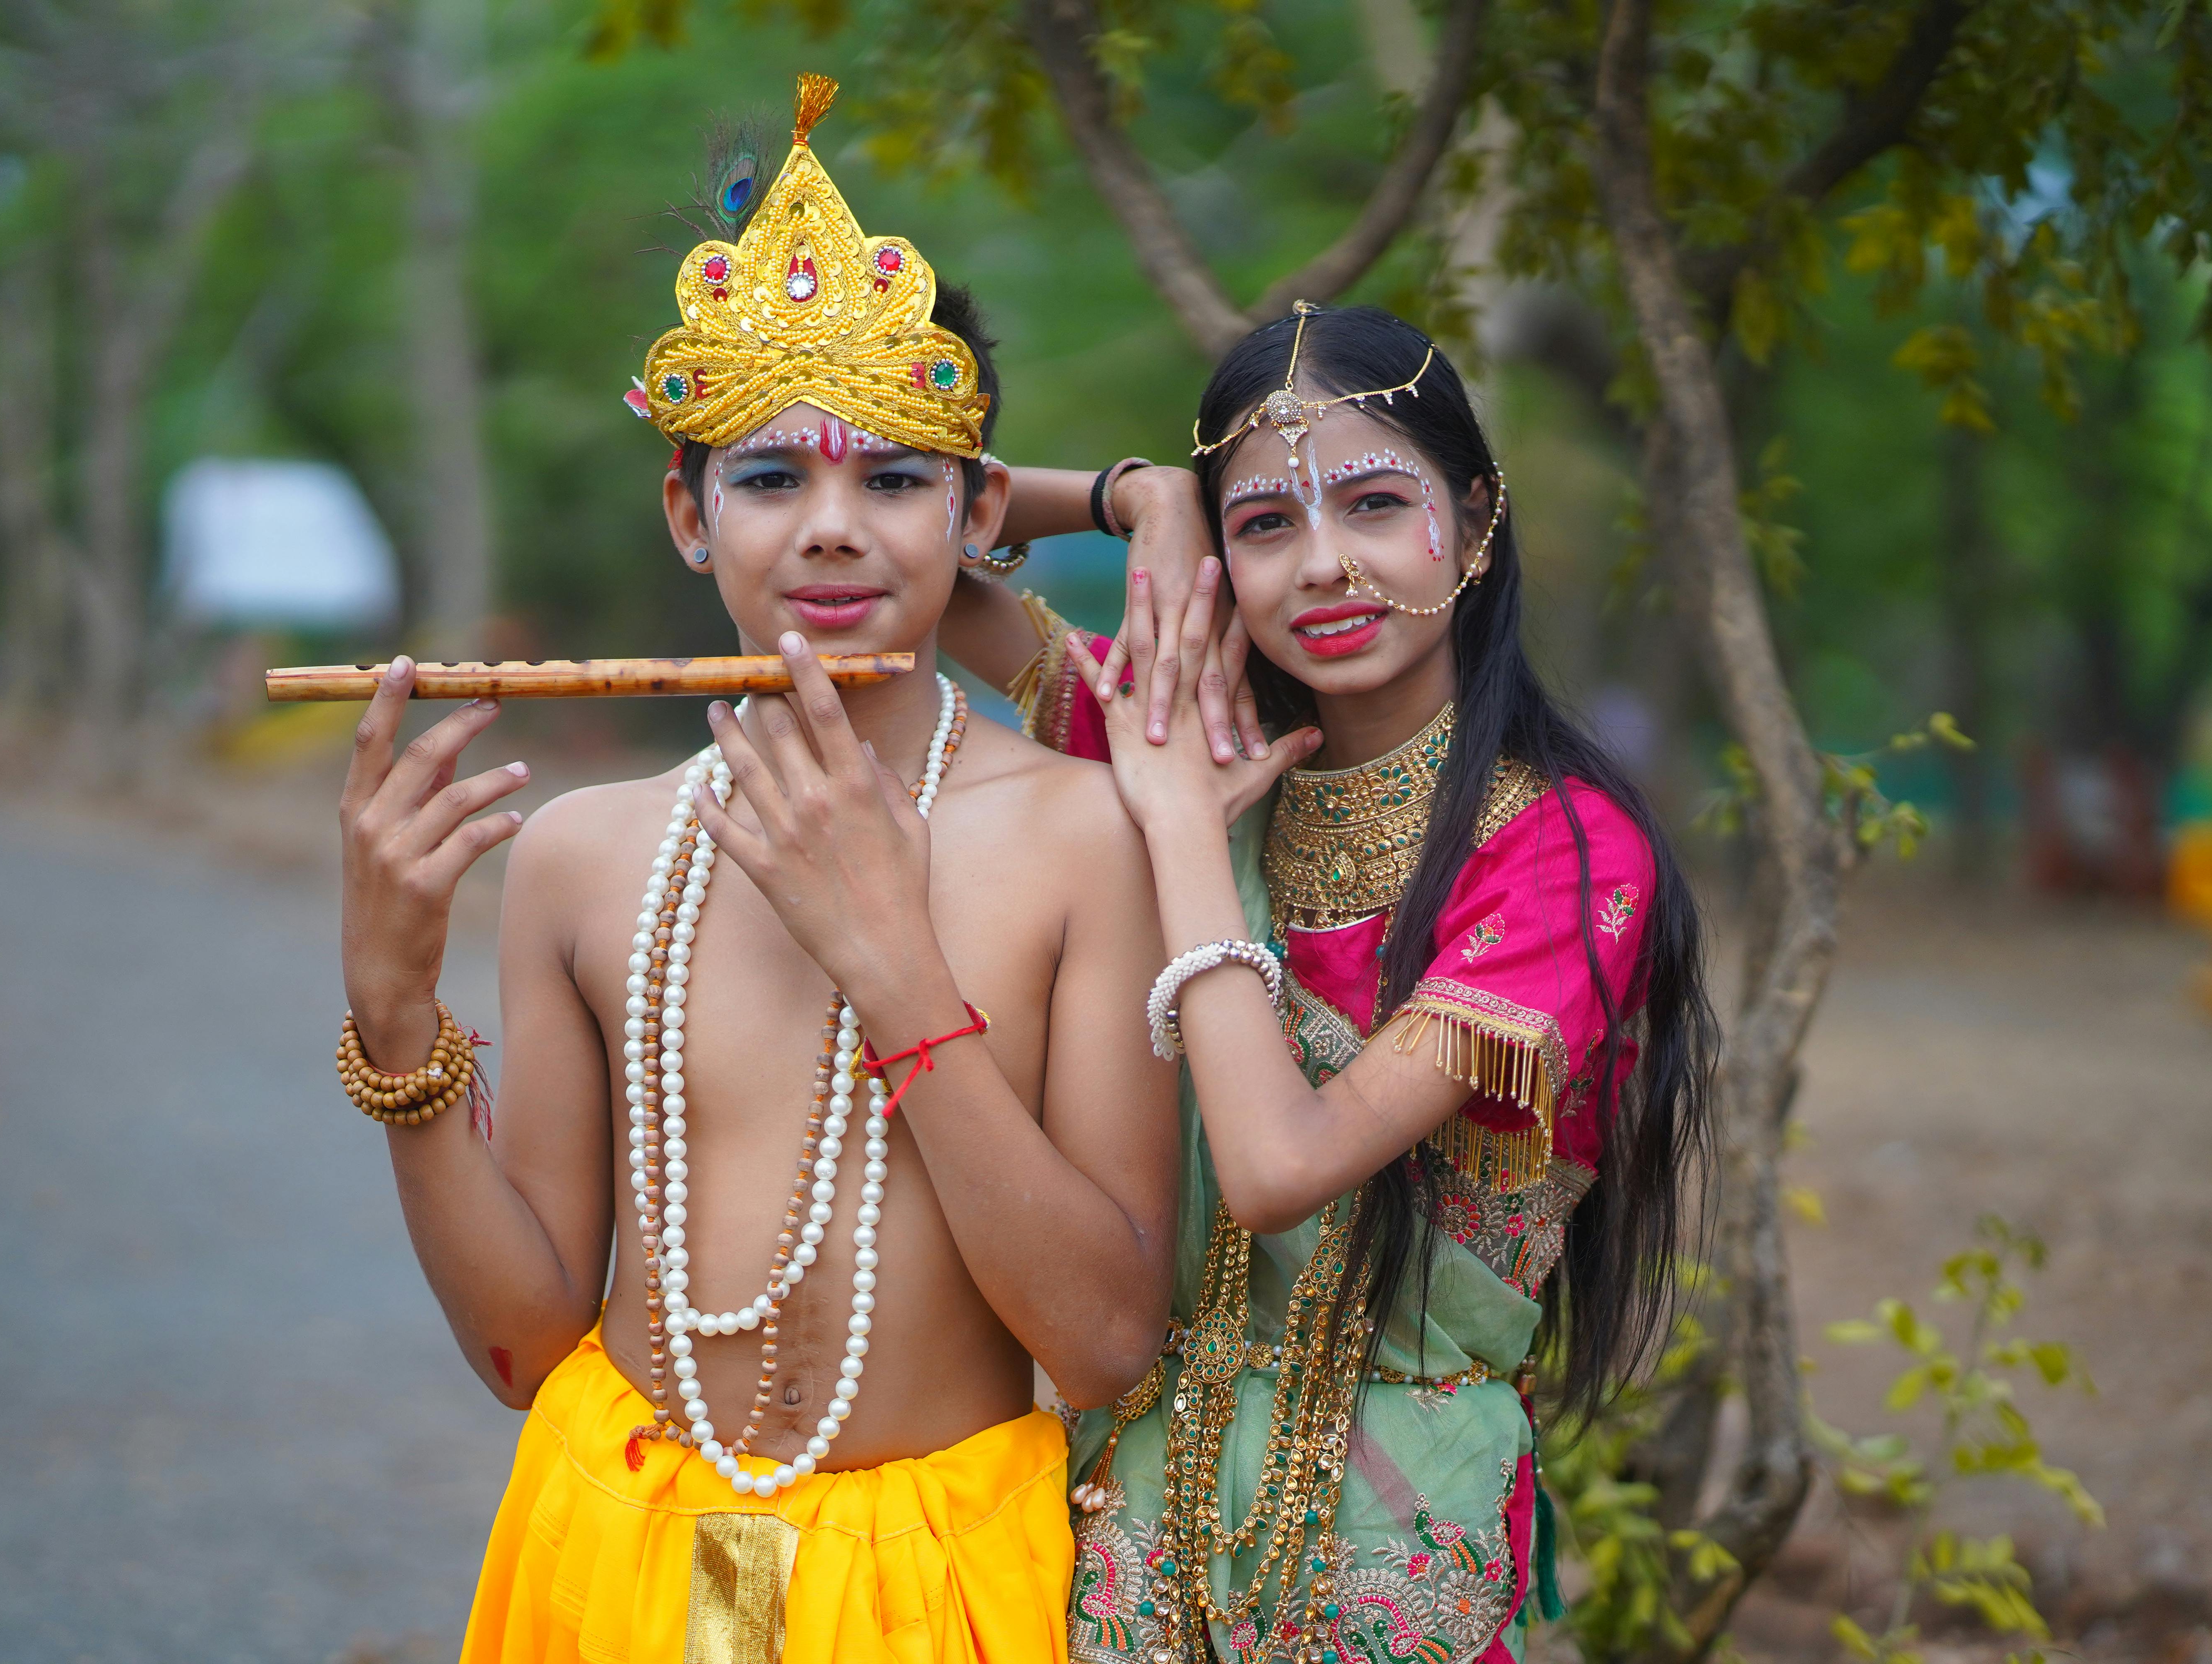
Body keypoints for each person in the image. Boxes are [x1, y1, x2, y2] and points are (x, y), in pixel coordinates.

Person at [333, 74, 1180, 1664]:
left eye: (899, 478)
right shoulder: (587, 861)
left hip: (937, 1588)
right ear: (688, 513)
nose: (835, 531)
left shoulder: (1082, 838)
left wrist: (891, 964)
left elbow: (1105, 1341)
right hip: (621, 1556)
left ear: (980, 509)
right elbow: (524, 1347)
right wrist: (393, 1016)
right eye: (773, 479)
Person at [948, 304, 1717, 1664]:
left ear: (1476, 526)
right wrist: (1144, 498)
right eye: (1265, 526)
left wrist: (1184, 831)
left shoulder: (1564, 852)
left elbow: (1276, 1167)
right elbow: (922, 563)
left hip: (1396, 1533)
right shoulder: (1196, 733)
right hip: (1124, 1522)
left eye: (1372, 504)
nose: (1323, 567)